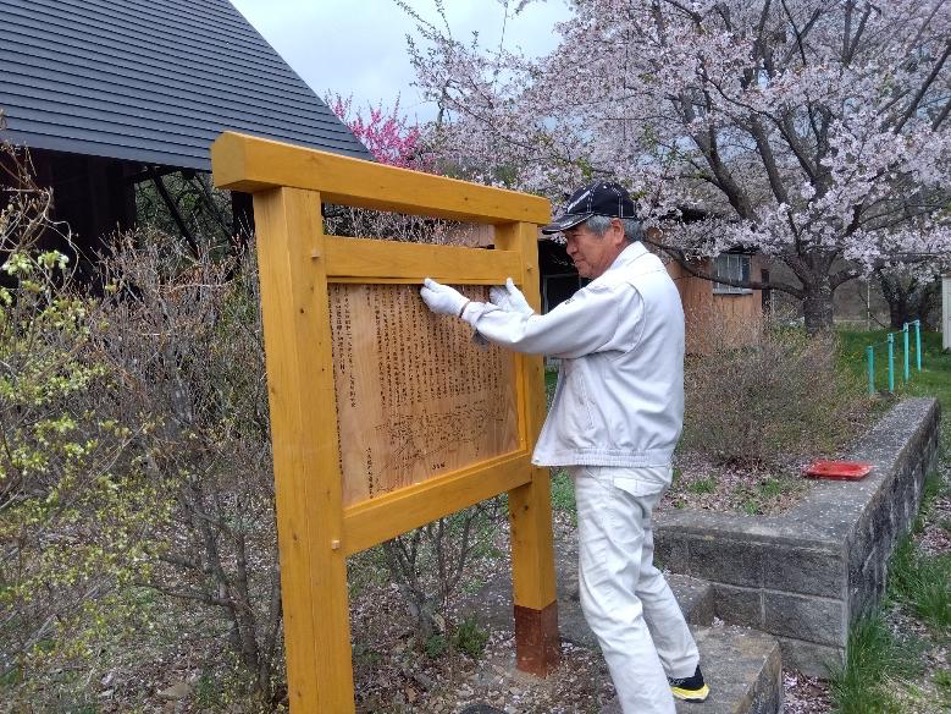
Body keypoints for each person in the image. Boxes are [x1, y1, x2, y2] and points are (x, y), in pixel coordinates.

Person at [419, 180, 709, 713]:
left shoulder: (622, 290)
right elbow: (565, 335)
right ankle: (685, 670)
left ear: (615, 231)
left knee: (609, 606)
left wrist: (463, 308)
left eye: (576, 235)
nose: (568, 247)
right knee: (639, 570)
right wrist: (527, 315)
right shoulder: (646, 278)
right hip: (639, 456)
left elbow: (541, 338)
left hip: (615, 464)